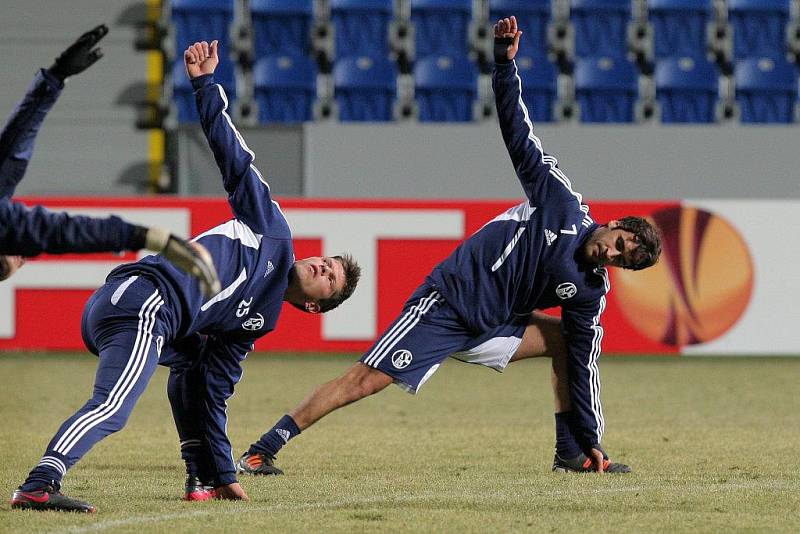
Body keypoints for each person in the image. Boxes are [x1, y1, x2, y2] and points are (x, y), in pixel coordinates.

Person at [236, 16, 661, 479]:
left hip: (495, 324)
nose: (612, 255)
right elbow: (519, 135)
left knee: (566, 343)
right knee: (363, 382)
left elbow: (584, 361)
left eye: (622, 260)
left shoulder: (588, 290)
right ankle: (263, 449)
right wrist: (504, 65)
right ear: (615, 224)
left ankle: (572, 453)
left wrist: (593, 434)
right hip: (446, 307)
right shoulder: (559, 204)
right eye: (619, 244)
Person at [10, 39, 361, 513]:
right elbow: (235, 159)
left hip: (148, 321)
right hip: (146, 300)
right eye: (328, 262)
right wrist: (205, 85)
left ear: (315, 305)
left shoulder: (259, 320)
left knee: (195, 369)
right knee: (114, 407)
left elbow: (213, 390)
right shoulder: (271, 230)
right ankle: (39, 483)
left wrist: (220, 472)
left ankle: (199, 474)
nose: (323, 266)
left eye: (331, 278)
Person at [0, 24, 220, 296]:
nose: (22, 256)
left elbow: (13, 153)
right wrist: (155, 239)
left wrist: (55, 79)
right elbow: (62, 231)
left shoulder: (12, 230)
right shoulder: (10, 230)